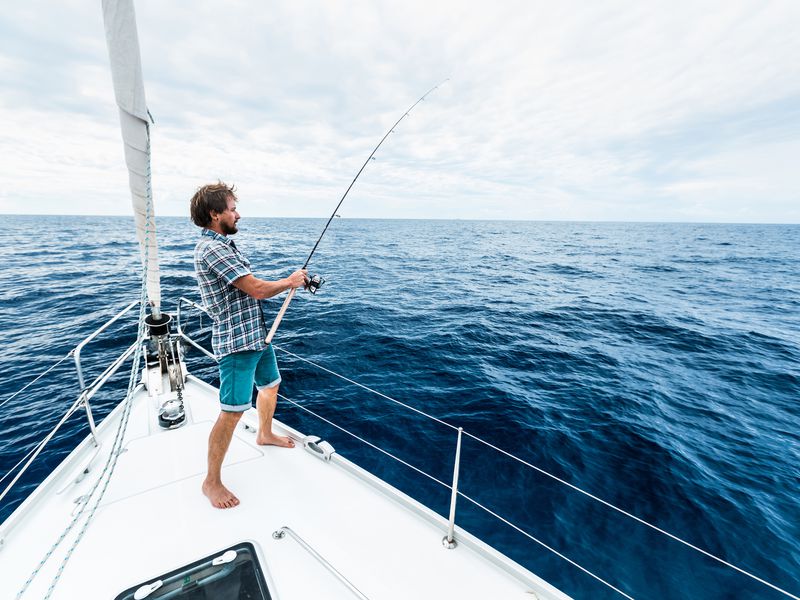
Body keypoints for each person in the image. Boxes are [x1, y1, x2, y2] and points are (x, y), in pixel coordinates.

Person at [190, 181, 308, 509]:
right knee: (232, 412)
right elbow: (255, 289)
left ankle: (264, 433)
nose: (237, 214)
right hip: (237, 344)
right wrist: (290, 281)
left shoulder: (224, 245)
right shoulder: (212, 249)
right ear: (215, 214)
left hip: (257, 335)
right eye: (231, 208)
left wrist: (287, 282)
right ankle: (211, 481)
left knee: (270, 385)